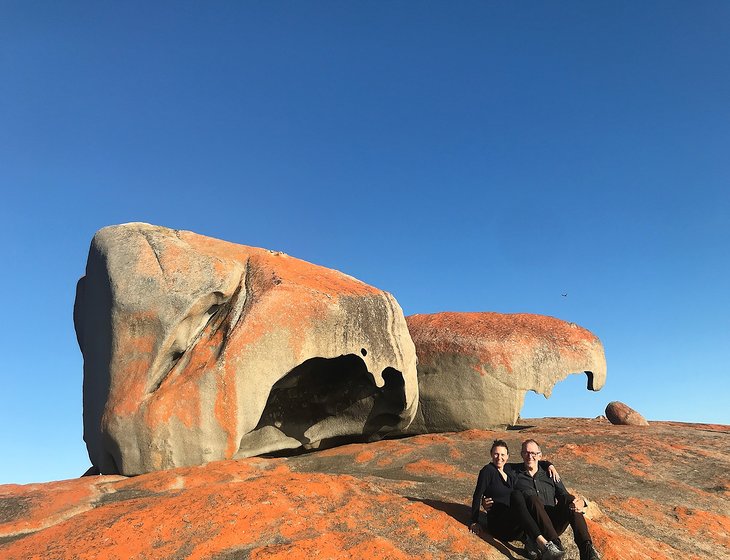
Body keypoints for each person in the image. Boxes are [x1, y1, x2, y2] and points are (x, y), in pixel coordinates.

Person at [468, 439, 567, 560]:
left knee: (523, 497)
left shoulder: (509, 472)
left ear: (507, 456)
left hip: (515, 524)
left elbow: (534, 460)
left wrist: (549, 465)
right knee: (517, 495)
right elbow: (477, 495)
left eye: (503, 454)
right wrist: (474, 520)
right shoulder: (487, 471)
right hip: (499, 524)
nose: (499, 458)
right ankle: (544, 545)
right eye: (496, 454)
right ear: (491, 454)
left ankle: (531, 543)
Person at [512, 439, 601, 560]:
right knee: (533, 499)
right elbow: (496, 471)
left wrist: (582, 503)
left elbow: (564, 495)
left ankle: (587, 550)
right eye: (526, 452)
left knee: (569, 499)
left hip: (553, 523)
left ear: (540, 455)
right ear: (521, 454)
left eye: (533, 453)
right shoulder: (514, 473)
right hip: (534, 526)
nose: (529, 456)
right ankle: (556, 546)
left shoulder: (550, 474)